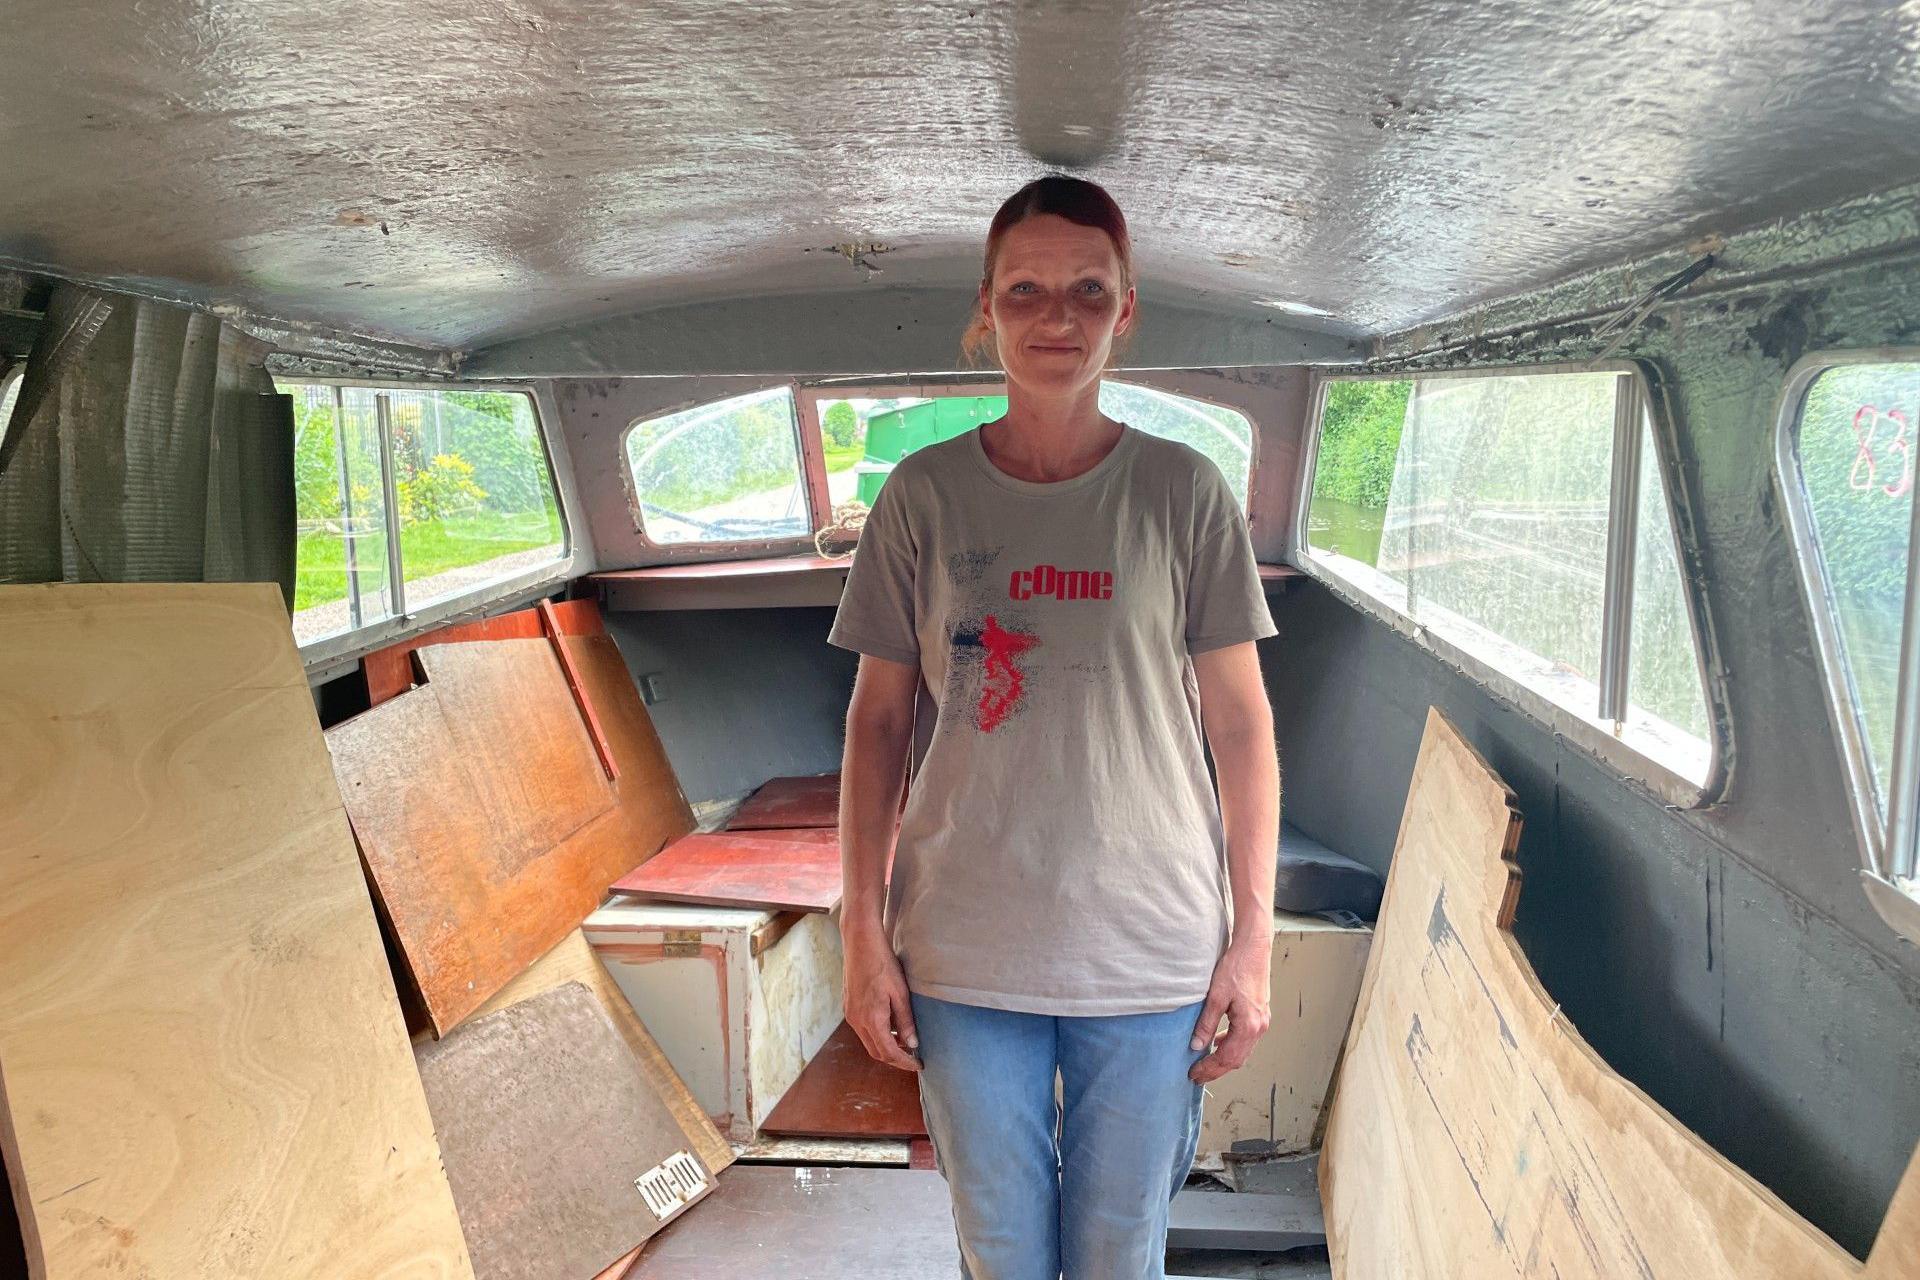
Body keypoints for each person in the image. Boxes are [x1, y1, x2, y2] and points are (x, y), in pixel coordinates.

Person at [829, 174, 1281, 1280]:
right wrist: (861, 929)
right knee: (1002, 1249)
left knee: (1121, 1252)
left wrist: (1254, 940)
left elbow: (1243, 726)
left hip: (1151, 950)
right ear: (986, 307)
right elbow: (878, 727)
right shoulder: (921, 495)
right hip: (965, 946)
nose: (1057, 316)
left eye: (1089, 288)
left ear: (1126, 310)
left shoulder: (1184, 490)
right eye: (1026, 289)